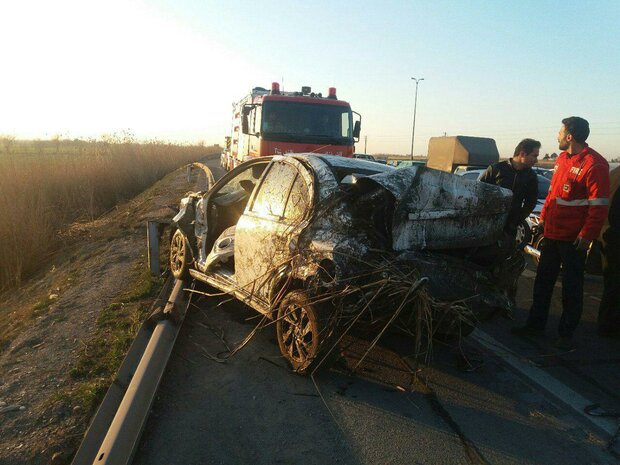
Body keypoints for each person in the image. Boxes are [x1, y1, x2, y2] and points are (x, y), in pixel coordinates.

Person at [512, 117, 610, 350]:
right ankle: (535, 326)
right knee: (543, 282)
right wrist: (543, 218)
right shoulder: (563, 160)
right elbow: (554, 195)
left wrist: (587, 236)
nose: (556, 135)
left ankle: (565, 335)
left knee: (572, 288)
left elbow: (599, 205)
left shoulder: (595, 164)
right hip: (552, 234)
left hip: (573, 240)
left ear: (569, 136)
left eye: (559, 131)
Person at [480, 138, 540, 236]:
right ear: (522, 154)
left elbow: (531, 202)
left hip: (509, 230)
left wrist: (515, 221)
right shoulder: (496, 169)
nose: (536, 160)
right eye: (534, 156)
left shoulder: (531, 176)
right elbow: (478, 192)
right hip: (487, 225)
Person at [598, 166, 620, 338]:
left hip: (606, 233)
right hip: (614, 234)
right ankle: (610, 325)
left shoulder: (614, 172)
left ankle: (607, 324)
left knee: (611, 283)